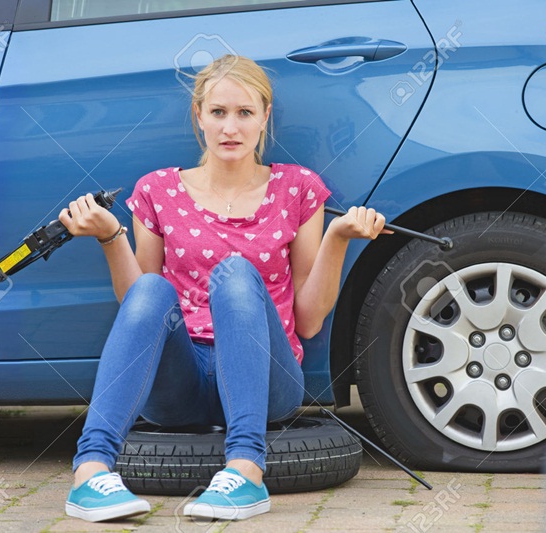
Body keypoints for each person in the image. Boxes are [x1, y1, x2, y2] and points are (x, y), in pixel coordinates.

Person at [60, 54, 389, 523]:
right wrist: (112, 236)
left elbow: (310, 321)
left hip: (268, 377)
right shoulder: (157, 190)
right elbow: (141, 307)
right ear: (199, 116)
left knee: (234, 273)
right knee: (153, 287)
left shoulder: (298, 188)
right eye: (217, 112)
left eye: (244, 112)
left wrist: (337, 238)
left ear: (264, 117)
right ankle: (90, 472)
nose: (230, 127)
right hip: (182, 380)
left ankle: (245, 471)